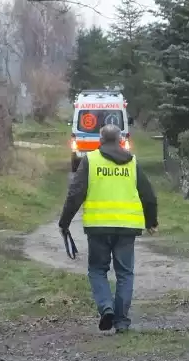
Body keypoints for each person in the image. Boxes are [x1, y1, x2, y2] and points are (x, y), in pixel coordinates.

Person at [59, 124, 158, 333]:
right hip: (127, 228)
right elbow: (148, 195)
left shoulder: (91, 160)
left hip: (98, 228)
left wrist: (65, 222)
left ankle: (106, 308)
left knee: (97, 270)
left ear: (100, 141)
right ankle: (121, 321)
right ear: (121, 140)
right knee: (125, 273)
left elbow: (75, 193)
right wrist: (151, 222)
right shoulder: (132, 162)